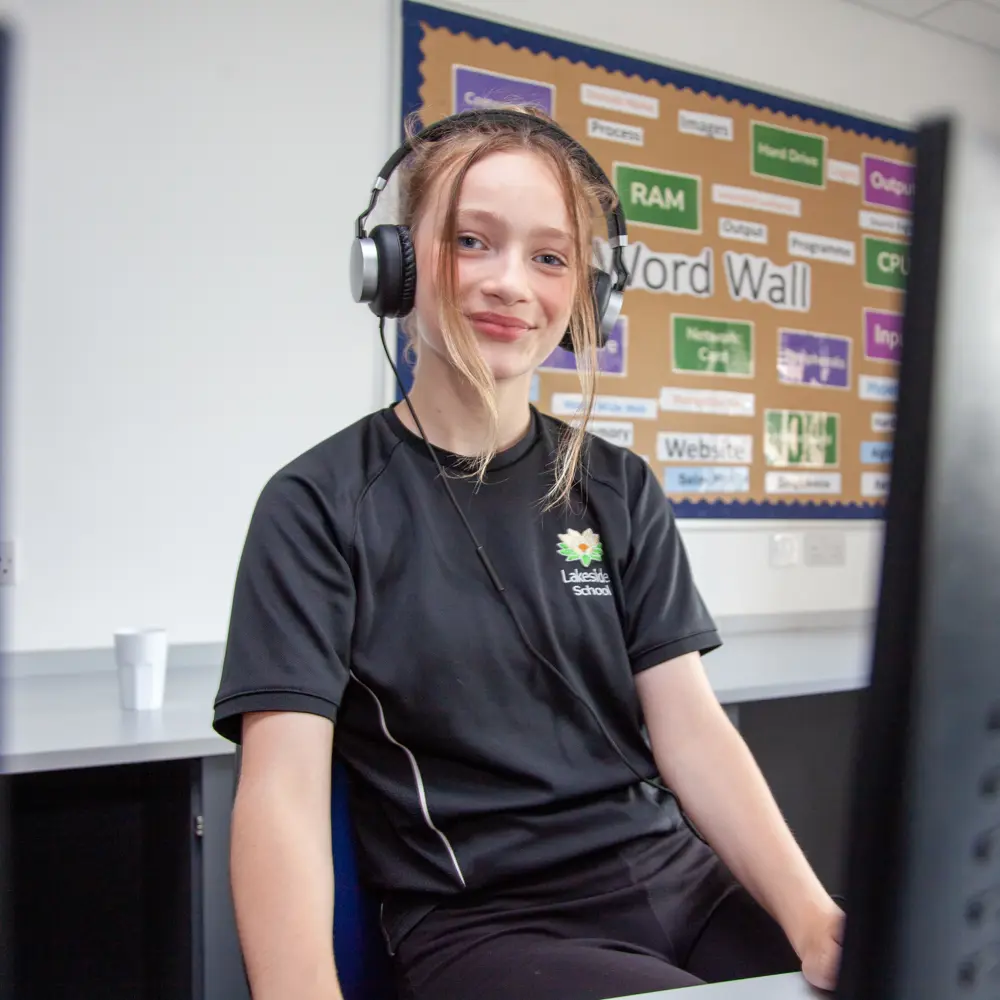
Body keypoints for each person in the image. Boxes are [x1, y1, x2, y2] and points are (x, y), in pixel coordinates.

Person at [212, 106, 843, 1000]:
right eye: (473, 241)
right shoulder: (318, 505)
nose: (512, 283)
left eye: (550, 258)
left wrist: (812, 917)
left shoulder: (618, 488)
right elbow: (281, 793)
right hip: (489, 923)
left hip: (679, 885)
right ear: (395, 266)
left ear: (587, 296)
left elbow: (692, 732)